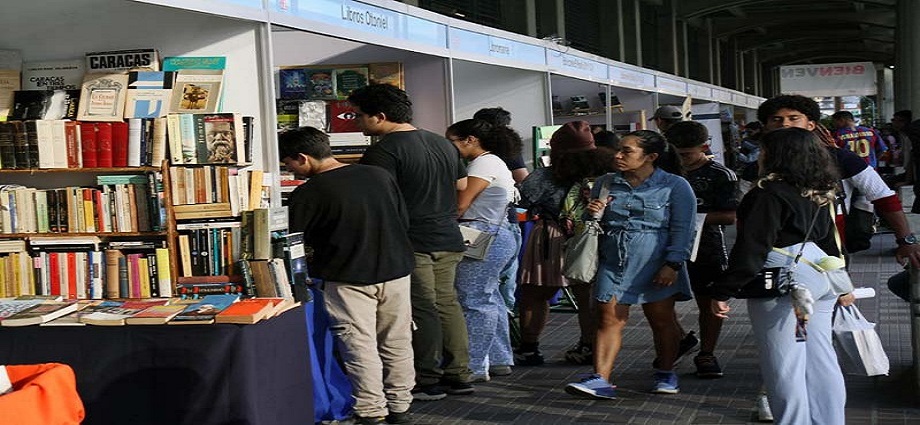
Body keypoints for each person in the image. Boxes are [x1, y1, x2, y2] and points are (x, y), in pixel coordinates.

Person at [280, 127, 416, 425]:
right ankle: (401, 404)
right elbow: (402, 220)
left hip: (347, 277)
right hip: (396, 270)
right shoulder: (378, 175)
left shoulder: (309, 193)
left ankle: (371, 410)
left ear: (302, 158)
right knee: (397, 341)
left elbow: (297, 243)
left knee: (359, 345)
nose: (288, 168)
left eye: (288, 162)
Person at [709, 127, 844, 424]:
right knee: (821, 359)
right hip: (820, 274)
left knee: (784, 364)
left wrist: (723, 290)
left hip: (782, 276)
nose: (760, 156)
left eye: (764, 150)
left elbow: (752, 247)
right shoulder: (822, 188)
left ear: (776, 155)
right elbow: (831, 239)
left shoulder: (766, 193)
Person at [348, 84, 473, 401]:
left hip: (412, 240)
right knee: (446, 303)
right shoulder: (443, 144)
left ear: (380, 116)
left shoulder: (383, 151)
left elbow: (373, 197)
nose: (356, 122)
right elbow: (461, 185)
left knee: (423, 307)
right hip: (448, 235)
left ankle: (428, 378)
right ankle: (459, 373)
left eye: (359, 116)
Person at [566, 130, 696, 399]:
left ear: (651, 157)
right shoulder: (605, 182)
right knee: (607, 317)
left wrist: (673, 263)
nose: (618, 155)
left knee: (661, 319)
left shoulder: (675, 185)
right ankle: (600, 379)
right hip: (614, 258)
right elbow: (593, 224)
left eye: (627, 151)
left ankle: (665, 371)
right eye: (619, 149)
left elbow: (684, 229)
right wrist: (593, 213)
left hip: (656, 257)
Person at [756, 95, 920, 269]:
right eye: (776, 119)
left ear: (811, 125)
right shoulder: (757, 168)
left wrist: (906, 241)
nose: (785, 124)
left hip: (830, 258)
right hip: (772, 260)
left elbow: (884, 197)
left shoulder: (843, 159)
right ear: (766, 127)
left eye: (793, 118)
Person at [515, 121, 614, 367]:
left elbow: (525, 198)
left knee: (536, 294)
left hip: (551, 237)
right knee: (587, 297)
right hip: (591, 237)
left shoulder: (547, 175)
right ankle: (589, 345)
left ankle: (530, 348)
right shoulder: (606, 173)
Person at [445, 119, 520, 382]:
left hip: (480, 234)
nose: (450, 147)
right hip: (497, 234)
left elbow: (461, 204)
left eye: (452, 140)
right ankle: (499, 358)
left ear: (470, 140)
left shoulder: (483, 163)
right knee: (490, 298)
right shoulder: (494, 162)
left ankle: (474, 365)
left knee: (474, 300)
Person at [665, 121, 740, 378]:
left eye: (687, 154)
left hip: (707, 247)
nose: (682, 160)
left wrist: (688, 218)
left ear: (705, 147)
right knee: (660, 298)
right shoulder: (662, 172)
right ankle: (680, 339)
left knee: (708, 302)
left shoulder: (721, 175)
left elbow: (730, 216)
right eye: (677, 154)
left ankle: (707, 353)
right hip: (665, 246)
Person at [472, 107, 527, 314]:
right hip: (507, 221)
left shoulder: (484, 158)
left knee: (483, 281)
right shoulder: (508, 151)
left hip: (481, 225)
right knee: (504, 278)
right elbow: (523, 178)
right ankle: (506, 322)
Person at [736, 121, 763, 194]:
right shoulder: (749, 140)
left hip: (753, 173)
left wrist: (737, 153)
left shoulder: (762, 143)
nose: (748, 134)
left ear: (757, 130)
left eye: (750, 132)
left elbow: (750, 158)